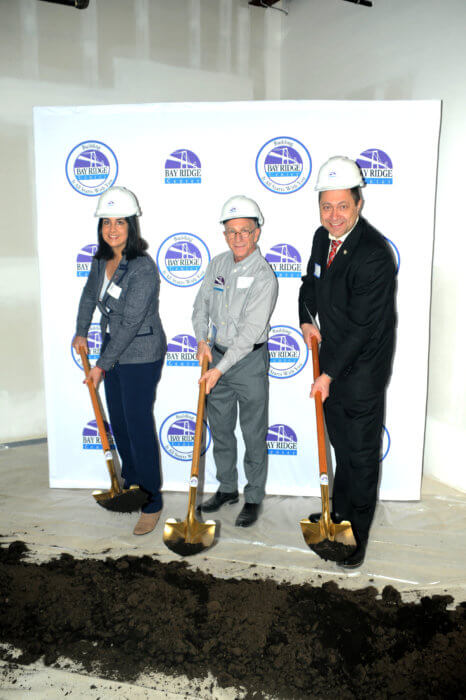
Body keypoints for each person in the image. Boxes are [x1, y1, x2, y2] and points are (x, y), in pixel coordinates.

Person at [298, 156, 396, 568]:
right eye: (326, 206)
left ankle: (356, 536)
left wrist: (328, 375)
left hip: (359, 373)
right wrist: (305, 319)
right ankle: (336, 517)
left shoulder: (374, 255)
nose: (333, 216)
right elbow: (310, 283)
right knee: (340, 446)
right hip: (331, 362)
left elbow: (360, 328)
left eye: (342, 206)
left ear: (358, 203)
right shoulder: (323, 239)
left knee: (359, 454)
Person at [73, 186, 167, 536]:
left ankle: (152, 500)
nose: (112, 229)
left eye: (120, 222)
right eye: (106, 222)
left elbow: (129, 324)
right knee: (121, 422)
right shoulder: (101, 261)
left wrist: (100, 365)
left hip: (141, 353)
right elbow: (88, 295)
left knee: (138, 423)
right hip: (113, 349)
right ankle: (132, 483)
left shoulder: (142, 268)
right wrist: (82, 330)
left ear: (132, 226)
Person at [193, 195, 278, 527]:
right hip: (216, 356)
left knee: (253, 432)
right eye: (231, 231)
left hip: (248, 362)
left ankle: (253, 496)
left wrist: (219, 369)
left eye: (245, 230)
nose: (238, 237)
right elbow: (200, 306)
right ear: (224, 234)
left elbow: (249, 333)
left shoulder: (265, 276)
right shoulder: (217, 265)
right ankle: (227, 488)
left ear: (257, 233)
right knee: (222, 429)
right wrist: (202, 339)